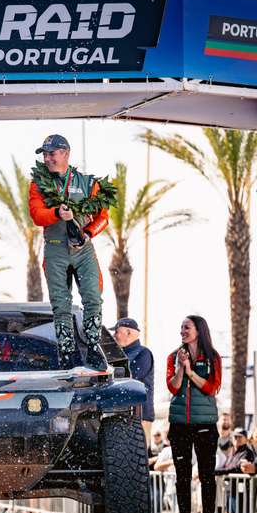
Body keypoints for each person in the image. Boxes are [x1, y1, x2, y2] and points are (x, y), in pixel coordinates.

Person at [29, 134, 111, 370]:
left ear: (65, 153)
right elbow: (36, 214)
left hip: (83, 248)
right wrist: (56, 213)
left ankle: (94, 346)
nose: (47, 158)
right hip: (55, 248)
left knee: (93, 297)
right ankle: (67, 351)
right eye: (44, 154)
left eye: (51, 153)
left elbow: (103, 217)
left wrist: (88, 234)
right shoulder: (38, 183)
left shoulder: (88, 183)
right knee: (60, 303)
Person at [166, 315, 222, 513]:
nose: (182, 331)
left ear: (199, 330)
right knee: (182, 475)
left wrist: (192, 373)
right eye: (181, 327)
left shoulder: (212, 357)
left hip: (205, 424)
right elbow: (173, 387)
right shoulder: (173, 356)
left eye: (186, 327)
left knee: (207, 473)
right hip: (179, 424)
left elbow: (212, 387)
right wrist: (181, 368)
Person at [110, 317, 155, 443]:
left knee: (139, 457)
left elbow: (132, 377)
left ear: (129, 333)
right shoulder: (119, 355)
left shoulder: (143, 353)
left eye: (117, 332)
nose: (114, 335)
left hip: (140, 415)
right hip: (124, 414)